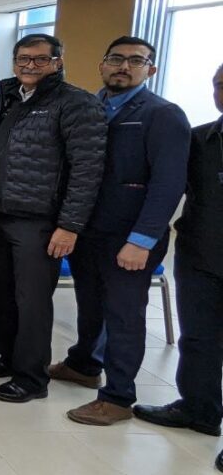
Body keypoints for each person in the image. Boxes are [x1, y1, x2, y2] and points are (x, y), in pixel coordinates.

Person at [52, 38, 190, 425]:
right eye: (115, 59)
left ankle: (117, 396)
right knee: (90, 303)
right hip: (87, 229)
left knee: (124, 315)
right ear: (101, 65)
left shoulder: (162, 114)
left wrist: (141, 240)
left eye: (135, 61)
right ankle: (83, 363)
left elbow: (168, 184)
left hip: (129, 237)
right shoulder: (91, 108)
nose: (123, 67)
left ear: (151, 69)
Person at [0, 34, 107, 403]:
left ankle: (32, 378)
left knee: (31, 301)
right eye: (23, 59)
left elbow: (87, 171)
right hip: (0, 214)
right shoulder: (9, 99)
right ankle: (9, 358)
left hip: (41, 221)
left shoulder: (75, 104)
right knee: (0, 294)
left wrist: (69, 226)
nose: (30, 66)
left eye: (40, 60)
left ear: (57, 63)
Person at [133, 63, 223, 470]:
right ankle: (198, 409)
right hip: (202, 255)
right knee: (199, 339)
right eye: (221, 84)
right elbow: (170, 187)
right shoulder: (202, 139)